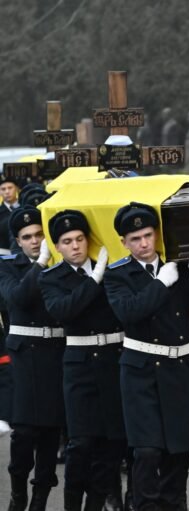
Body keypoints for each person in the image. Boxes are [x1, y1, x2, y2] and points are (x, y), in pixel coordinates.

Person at [103, 202, 189, 511]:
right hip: (142, 371)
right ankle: (144, 505)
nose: (144, 243)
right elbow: (129, 313)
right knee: (147, 451)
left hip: (180, 368)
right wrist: (160, 283)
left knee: (178, 451)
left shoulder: (178, 266)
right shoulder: (118, 275)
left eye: (148, 235)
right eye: (135, 238)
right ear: (124, 242)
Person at [38, 210, 126, 511]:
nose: (75, 246)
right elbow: (63, 311)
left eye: (79, 239)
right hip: (79, 364)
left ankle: (97, 503)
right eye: (67, 241)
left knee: (111, 443)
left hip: (113, 360)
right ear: (57, 247)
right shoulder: (51, 278)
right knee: (81, 444)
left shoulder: (114, 271)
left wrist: (104, 273)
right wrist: (94, 279)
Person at [0, 206, 65, 511]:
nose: (36, 241)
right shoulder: (8, 267)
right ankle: (18, 494)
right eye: (28, 237)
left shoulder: (62, 265)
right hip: (24, 357)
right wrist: (39, 266)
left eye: (40, 234)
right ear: (18, 241)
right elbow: (19, 298)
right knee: (24, 432)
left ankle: (39, 499)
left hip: (55, 354)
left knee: (51, 432)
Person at [0, 175, 21, 255]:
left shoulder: (25, 209)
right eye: (3, 189)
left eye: (10, 187)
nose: (7, 192)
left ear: (17, 189)